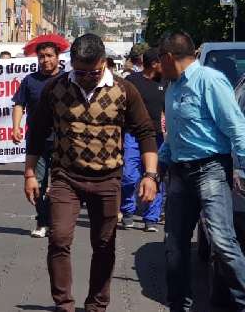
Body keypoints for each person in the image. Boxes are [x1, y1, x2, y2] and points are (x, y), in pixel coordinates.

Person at [24, 33, 158, 312]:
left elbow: (146, 132)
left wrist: (150, 175)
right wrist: (29, 174)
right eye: (80, 71)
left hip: (108, 179)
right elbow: (36, 134)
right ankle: (64, 304)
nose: (86, 77)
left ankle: (97, 304)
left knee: (104, 244)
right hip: (65, 178)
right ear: (71, 63)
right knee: (58, 238)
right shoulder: (55, 89)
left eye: (93, 72)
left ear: (104, 63)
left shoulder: (123, 90)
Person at [157, 30, 245, 311]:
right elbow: (174, 134)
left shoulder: (209, 81)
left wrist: (243, 170)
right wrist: (158, 165)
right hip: (179, 173)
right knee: (174, 246)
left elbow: (236, 129)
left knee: (222, 243)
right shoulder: (172, 87)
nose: (158, 66)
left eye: (160, 60)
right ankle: (179, 305)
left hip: (211, 170)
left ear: (169, 57)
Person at [12, 41, 62, 238]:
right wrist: (16, 127)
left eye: (49, 55)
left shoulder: (66, 80)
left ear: (57, 56)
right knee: (37, 182)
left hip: (62, 141)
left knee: (60, 184)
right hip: (37, 142)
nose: (45, 60)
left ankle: (57, 222)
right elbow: (19, 104)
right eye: (41, 56)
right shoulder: (29, 80)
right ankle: (42, 222)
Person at [120, 48, 166, 232]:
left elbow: (169, 108)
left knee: (155, 177)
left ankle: (151, 218)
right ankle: (128, 211)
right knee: (129, 176)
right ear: (154, 63)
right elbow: (121, 110)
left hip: (157, 138)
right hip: (133, 135)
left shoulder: (165, 82)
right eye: (162, 61)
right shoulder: (132, 82)